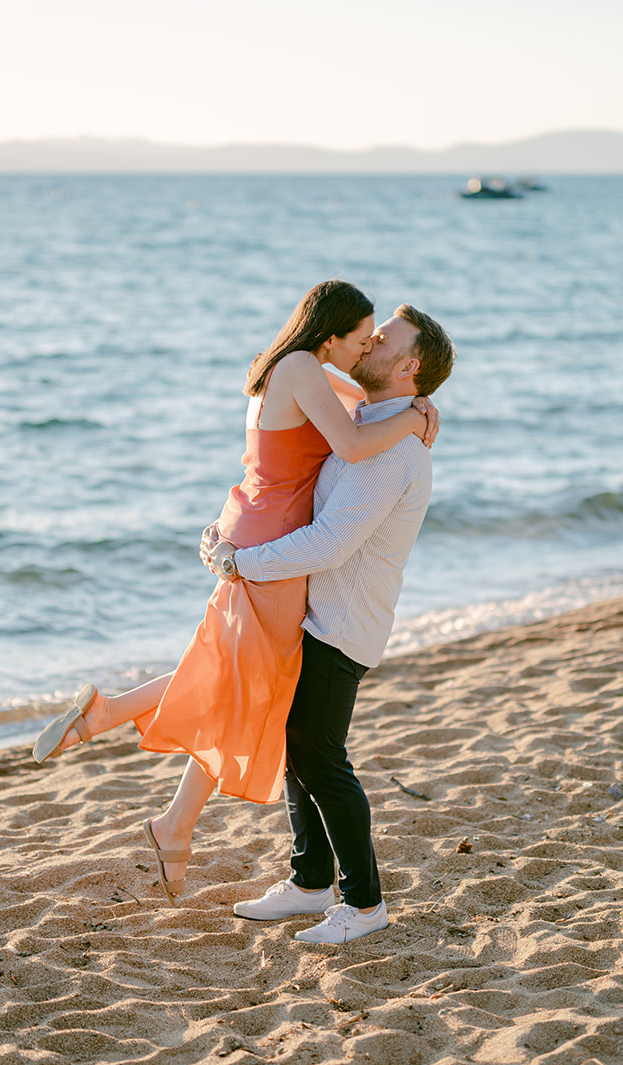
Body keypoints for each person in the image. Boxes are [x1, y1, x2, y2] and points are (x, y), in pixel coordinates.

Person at [28, 280, 438, 907]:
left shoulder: (305, 368)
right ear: (332, 335)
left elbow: (364, 409)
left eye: (376, 341)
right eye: (362, 338)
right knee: (243, 679)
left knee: (237, 674)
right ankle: (116, 734)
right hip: (268, 536)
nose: (367, 349)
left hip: (254, 520)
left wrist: (416, 406)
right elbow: (356, 442)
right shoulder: (305, 368)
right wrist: (414, 416)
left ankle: (169, 817)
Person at [208, 305, 455, 943]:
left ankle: (366, 903)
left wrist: (241, 563)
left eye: (383, 339)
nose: (368, 341)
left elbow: (327, 546)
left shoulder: (394, 453)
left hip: (341, 625)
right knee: (299, 751)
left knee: (321, 759)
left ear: (407, 367)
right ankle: (310, 883)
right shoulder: (370, 424)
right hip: (314, 614)